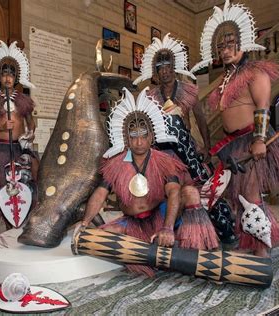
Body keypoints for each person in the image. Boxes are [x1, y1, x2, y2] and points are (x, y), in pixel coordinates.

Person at [81, 88, 219, 276]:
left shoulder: (165, 160)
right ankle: (156, 249)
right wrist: (85, 222)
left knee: (189, 193)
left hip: (159, 218)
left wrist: (168, 228)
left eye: (143, 135)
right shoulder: (115, 164)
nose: (139, 142)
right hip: (131, 223)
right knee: (94, 237)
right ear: (127, 139)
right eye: (133, 136)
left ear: (152, 136)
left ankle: (184, 242)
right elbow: (100, 193)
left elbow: (173, 192)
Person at [192, 0, 279, 257]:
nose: (225, 51)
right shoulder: (225, 79)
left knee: (251, 195)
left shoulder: (255, 72)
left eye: (230, 44)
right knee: (237, 198)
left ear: (243, 42)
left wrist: (259, 139)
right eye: (221, 46)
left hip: (250, 139)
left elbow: (262, 107)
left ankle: (262, 254)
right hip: (231, 145)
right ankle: (248, 243)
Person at [134, 34, 236, 245]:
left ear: (174, 67)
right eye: (160, 68)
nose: (165, 72)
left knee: (201, 188)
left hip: (185, 149)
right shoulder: (151, 95)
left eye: (167, 67)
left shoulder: (188, 90)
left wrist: (207, 148)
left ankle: (221, 229)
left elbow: (200, 120)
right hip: (162, 152)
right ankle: (164, 228)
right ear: (156, 72)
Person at [0, 41, 37, 226]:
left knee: (24, 185)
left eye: (11, 75)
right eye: (4, 74)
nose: (8, 78)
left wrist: (31, 134)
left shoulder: (24, 100)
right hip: (0, 150)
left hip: (19, 149)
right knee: (5, 187)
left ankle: (21, 221)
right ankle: (7, 223)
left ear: (17, 77)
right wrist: (2, 127)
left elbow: (30, 123)